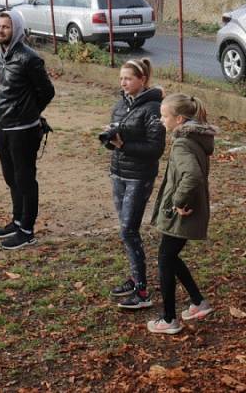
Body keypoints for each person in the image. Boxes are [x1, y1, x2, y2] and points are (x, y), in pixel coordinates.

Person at [147, 93, 216, 334]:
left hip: (183, 211)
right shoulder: (193, 138)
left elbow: (193, 176)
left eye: (164, 116)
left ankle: (169, 319)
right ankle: (198, 303)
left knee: (166, 258)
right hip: (189, 209)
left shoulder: (182, 143)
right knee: (170, 256)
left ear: (178, 119)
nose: (161, 120)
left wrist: (178, 201)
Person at [0, 11, 55, 250]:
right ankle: (17, 221)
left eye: (6, 27)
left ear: (16, 29)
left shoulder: (30, 58)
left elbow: (47, 91)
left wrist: (29, 112)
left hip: (23, 129)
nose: (1, 30)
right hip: (3, 125)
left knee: (25, 178)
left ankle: (27, 230)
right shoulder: (0, 54)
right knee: (10, 176)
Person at [104, 58, 166, 309]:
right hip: (118, 173)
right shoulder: (121, 105)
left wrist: (123, 145)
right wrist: (110, 139)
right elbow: (118, 139)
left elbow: (155, 149)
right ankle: (135, 278)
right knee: (127, 230)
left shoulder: (153, 109)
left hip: (139, 177)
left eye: (128, 78)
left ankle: (142, 292)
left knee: (128, 230)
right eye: (121, 78)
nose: (123, 83)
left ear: (142, 80)